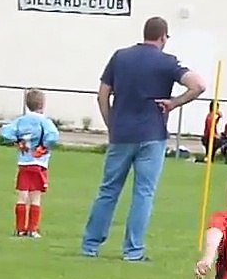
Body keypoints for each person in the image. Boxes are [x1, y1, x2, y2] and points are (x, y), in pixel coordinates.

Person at [83, 16, 206, 260]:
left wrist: (111, 125)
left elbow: (102, 95)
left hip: (122, 133)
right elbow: (198, 85)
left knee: (108, 190)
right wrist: (174, 103)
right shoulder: (167, 62)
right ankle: (133, 250)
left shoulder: (120, 56)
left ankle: (90, 246)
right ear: (163, 37)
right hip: (151, 135)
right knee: (143, 193)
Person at [1, 88, 60, 238]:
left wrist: (17, 142)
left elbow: (6, 132)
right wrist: (44, 146)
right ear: (42, 105)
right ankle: (33, 229)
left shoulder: (21, 120)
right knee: (36, 196)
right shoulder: (44, 121)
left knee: (22, 195)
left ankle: (20, 228)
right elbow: (53, 136)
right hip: (39, 164)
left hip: (24, 163)